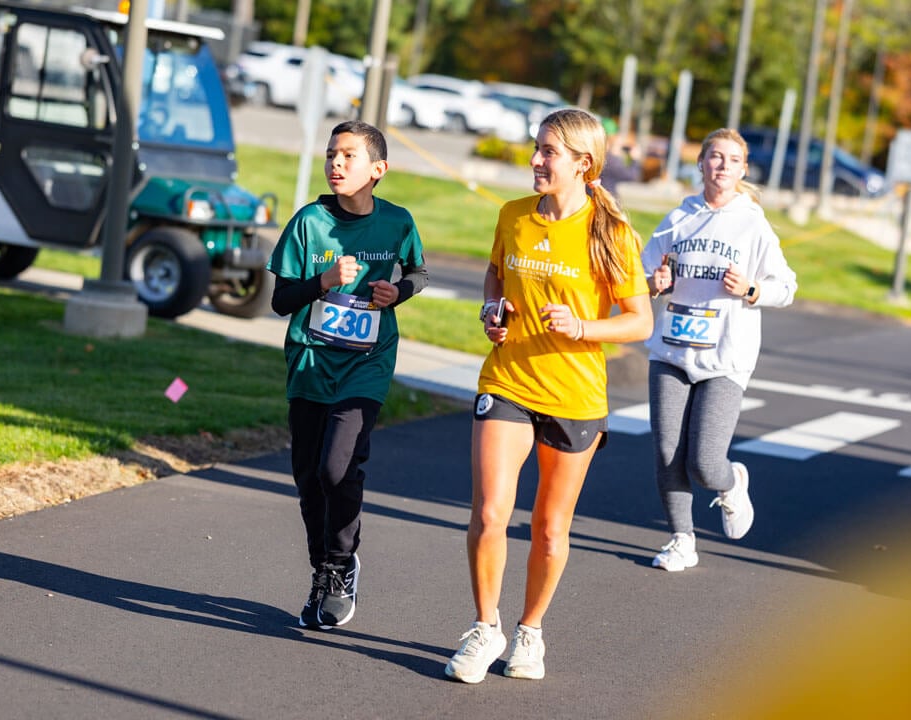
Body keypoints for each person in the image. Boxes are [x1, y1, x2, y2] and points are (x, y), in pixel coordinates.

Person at [444, 108, 653, 683]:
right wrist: (492, 309)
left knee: (549, 528)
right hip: (507, 380)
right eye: (536, 149)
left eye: (548, 152)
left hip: (575, 396)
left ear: (583, 164)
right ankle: (485, 628)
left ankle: (529, 632)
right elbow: (495, 274)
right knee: (489, 513)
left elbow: (639, 322)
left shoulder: (609, 234)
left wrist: (583, 328)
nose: (535, 160)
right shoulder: (513, 216)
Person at [266, 120, 428, 630]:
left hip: (367, 362)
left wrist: (397, 293)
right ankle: (322, 571)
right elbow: (279, 301)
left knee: (338, 469)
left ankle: (340, 565)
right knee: (310, 479)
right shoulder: (309, 223)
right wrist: (323, 281)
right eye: (332, 154)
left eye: (349, 156)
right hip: (311, 362)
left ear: (378, 170)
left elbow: (417, 274)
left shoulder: (398, 223)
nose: (336, 163)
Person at [641, 128, 798, 572]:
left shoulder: (752, 224)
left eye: (732, 159)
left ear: (743, 170)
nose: (723, 165)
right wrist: (654, 284)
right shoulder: (678, 219)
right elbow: (642, 275)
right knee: (667, 451)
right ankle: (681, 539)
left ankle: (731, 486)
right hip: (671, 349)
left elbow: (786, 286)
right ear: (702, 164)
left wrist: (750, 289)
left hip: (725, 355)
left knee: (707, 461)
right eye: (715, 156)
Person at [599, 119, 642, 195]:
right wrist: (635, 160)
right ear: (612, 137)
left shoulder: (595, 154)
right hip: (603, 200)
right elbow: (631, 176)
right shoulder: (609, 160)